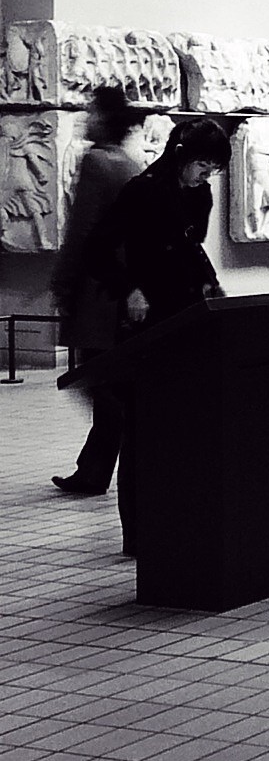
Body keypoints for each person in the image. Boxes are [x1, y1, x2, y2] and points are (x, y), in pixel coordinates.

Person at [83, 117, 231, 555]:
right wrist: (128, 288)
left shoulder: (198, 194)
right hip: (145, 319)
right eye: (203, 166)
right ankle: (138, 533)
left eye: (214, 169)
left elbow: (190, 245)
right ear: (181, 155)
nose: (207, 176)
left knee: (182, 424)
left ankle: (178, 518)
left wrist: (209, 282)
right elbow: (98, 249)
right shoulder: (142, 191)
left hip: (186, 316)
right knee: (143, 426)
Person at [50, 87, 144, 495]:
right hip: (121, 288)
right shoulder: (129, 162)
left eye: (91, 111)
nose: (85, 118)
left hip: (96, 288)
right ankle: (94, 468)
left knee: (100, 383)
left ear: (105, 118)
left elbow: (82, 231)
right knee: (107, 384)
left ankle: (96, 469)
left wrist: (63, 282)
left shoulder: (97, 162)